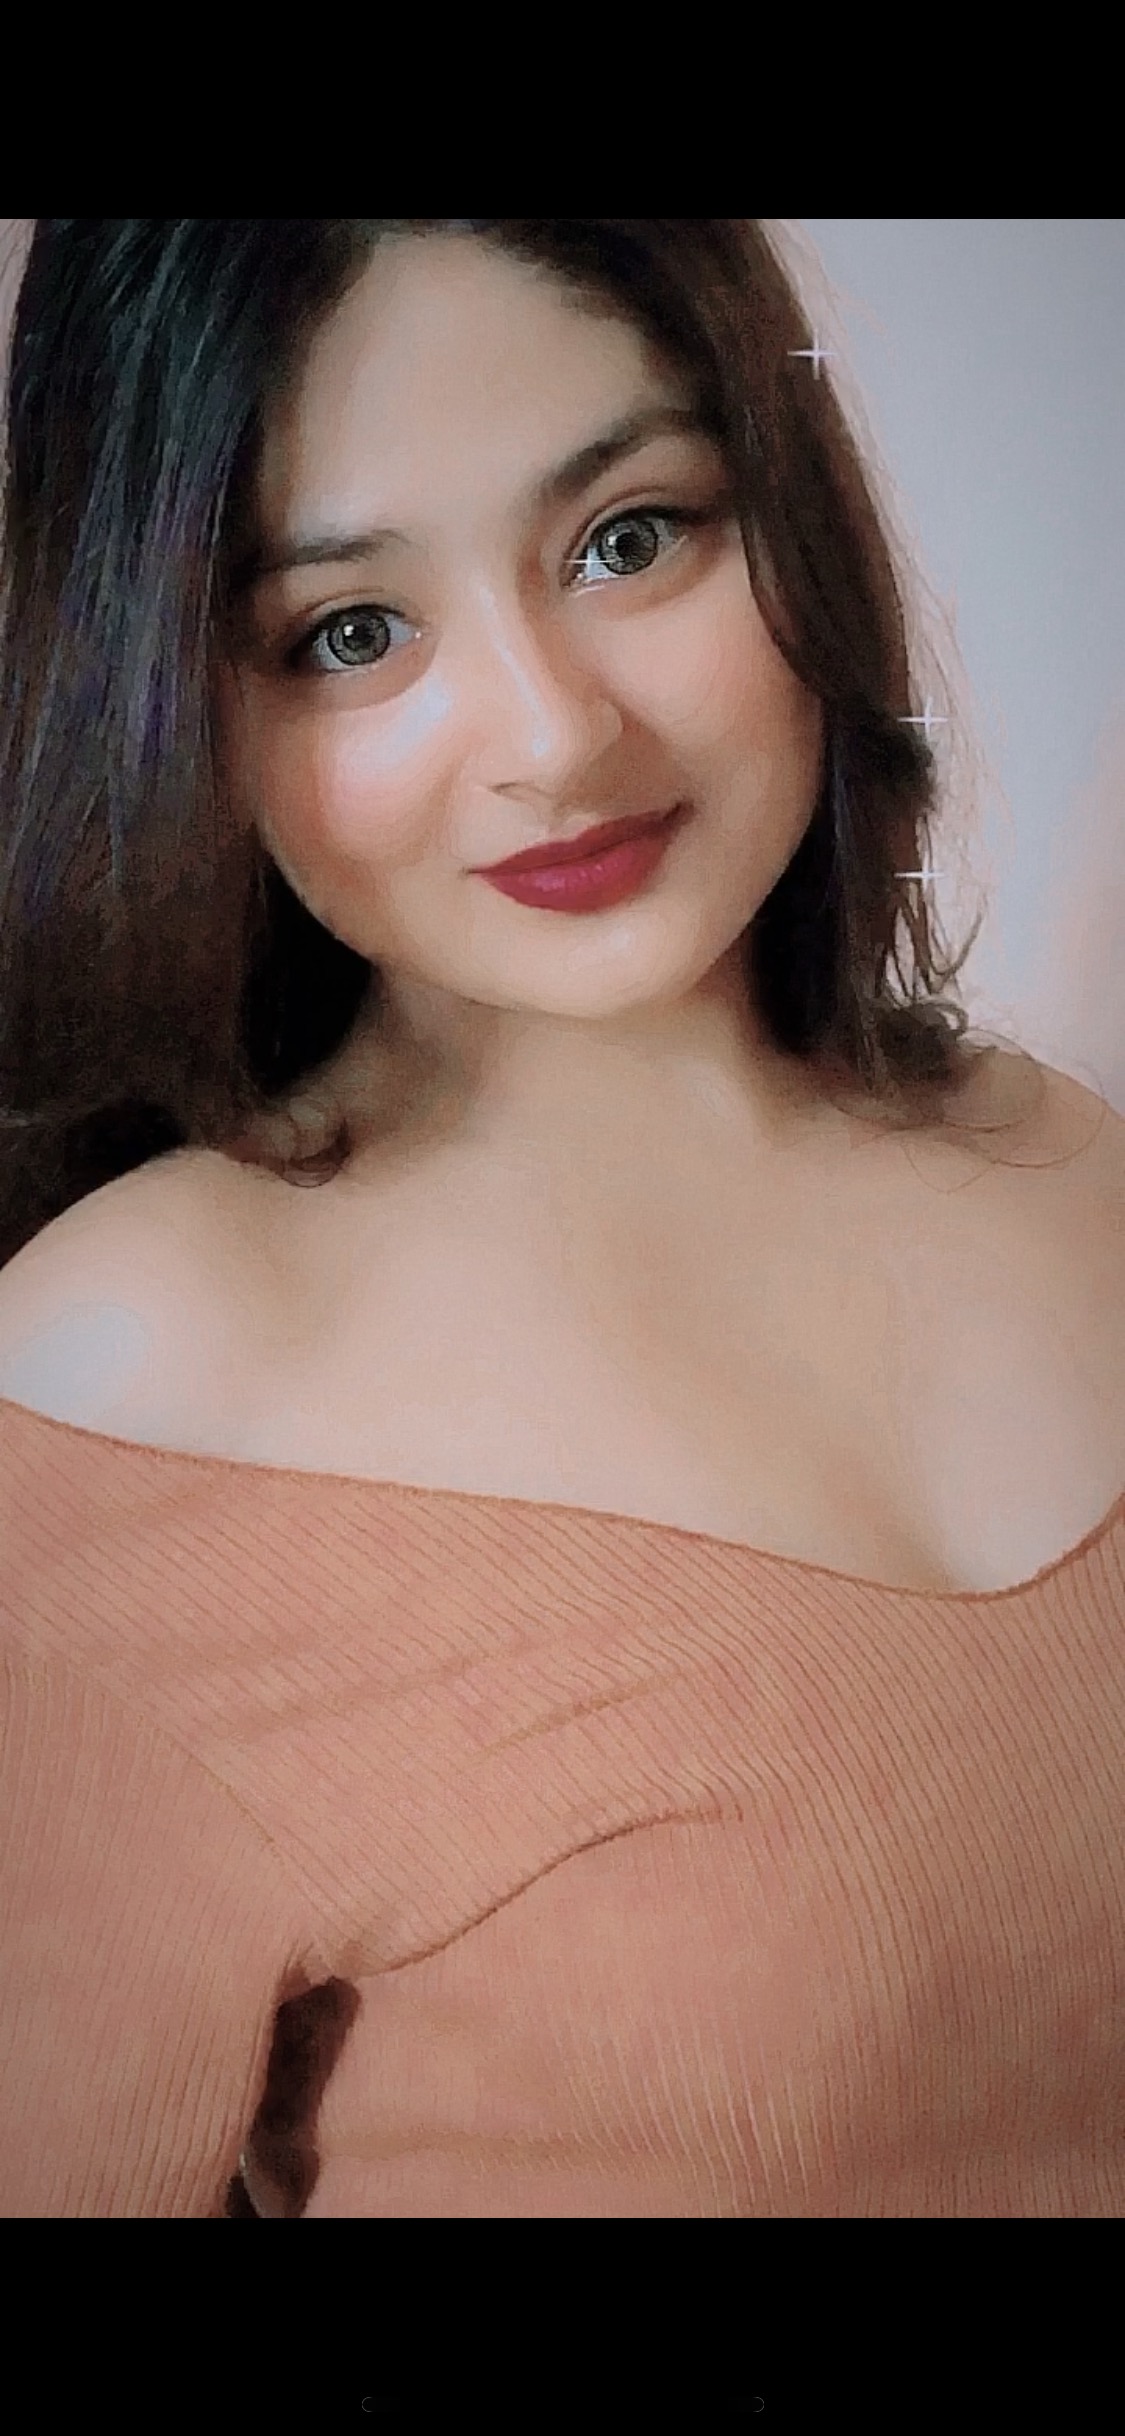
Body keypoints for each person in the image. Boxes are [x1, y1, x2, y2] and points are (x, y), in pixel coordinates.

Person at [0, 220, 1121, 2219]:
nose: (551, 737)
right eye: (349, 631)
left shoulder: (1061, 1153)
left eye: (627, 538)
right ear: (175, 699)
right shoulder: (132, 1367)